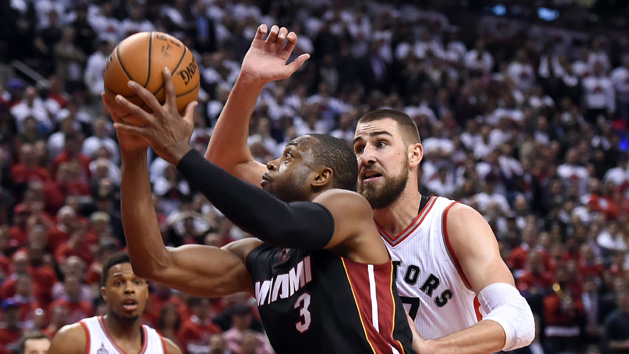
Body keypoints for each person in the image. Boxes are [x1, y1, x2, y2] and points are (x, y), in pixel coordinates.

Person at [204, 24, 535, 353]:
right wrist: (249, 81)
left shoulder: (452, 222)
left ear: (414, 154)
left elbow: (518, 318)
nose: (367, 156)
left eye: (381, 144)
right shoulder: (337, 212)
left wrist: (432, 349)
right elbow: (223, 167)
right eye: (359, 147)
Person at [103, 24, 415, 354]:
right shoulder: (260, 259)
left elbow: (281, 224)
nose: (270, 164)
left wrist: (181, 153)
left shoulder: (350, 209)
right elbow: (154, 264)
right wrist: (134, 154)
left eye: (289, 155)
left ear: (321, 178)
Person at [47, 252, 181, 354]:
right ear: (105, 293)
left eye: (137, 282)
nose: (129, 289)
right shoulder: (73, 339)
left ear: (146, 292)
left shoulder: (166, 350)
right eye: (119, 283)